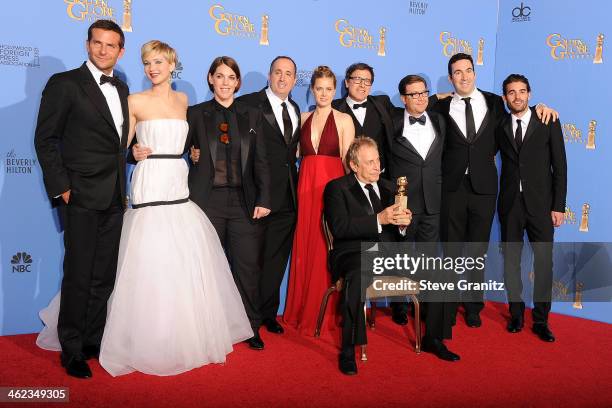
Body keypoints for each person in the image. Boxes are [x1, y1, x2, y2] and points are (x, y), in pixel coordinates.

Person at [428, 53, 558, 327]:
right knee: (451, 251)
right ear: (451, 78)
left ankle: (474, 305)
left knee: (477, 251)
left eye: (468, 70)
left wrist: (543, 106)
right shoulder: (438, 108)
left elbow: (522, 109)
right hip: (451, 189)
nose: (464, 76)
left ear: (475, 73)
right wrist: (439, 96)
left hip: (485, 190)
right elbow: (409, 106)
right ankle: (449, 307)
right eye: (457, 72)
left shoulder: (495, 103)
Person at [34, 20, 129, 379]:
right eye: (97, 43)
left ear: (121, 51)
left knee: (103, 275)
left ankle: (92, 340)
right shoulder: (65, 84)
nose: (103, 50)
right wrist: (62, 187)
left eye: (111, 45)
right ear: (88, 44)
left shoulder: (121, 88)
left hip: (115, 195)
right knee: (78, 274)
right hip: (81, 195)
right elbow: (45, 139)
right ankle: (71, 348)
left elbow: (114, 145)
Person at [185, 56, 272, 350]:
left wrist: (264, 198)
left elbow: (261, 160)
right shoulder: (195, 114)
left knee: (247, 268)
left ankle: (250, 326)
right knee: (205, 269)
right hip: (206, 201)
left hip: (244, 203)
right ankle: (204, 328)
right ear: (210, 79)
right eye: (219, 76)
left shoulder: (252, 115)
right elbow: (176, 150)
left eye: (230, 77)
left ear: (238, 83)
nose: (225, 82)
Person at [323, 137, 412, 375]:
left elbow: (400, 231)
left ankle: (435, 339)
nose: (377, 167)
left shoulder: (389, 187)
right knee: (357, 275)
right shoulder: (336, 188)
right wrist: (378, 220)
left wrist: (403, 224)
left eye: (378, 160)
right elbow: (340, 228)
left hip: (387, 253)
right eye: (370, 162)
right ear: (354, 165)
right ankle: (348, 350)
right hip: (352, 251)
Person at [387, 74, 458, 361]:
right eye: (413, 94)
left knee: (429, 264)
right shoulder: (391, 123)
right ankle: (400, 306)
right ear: (402, 98)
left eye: (423, 93)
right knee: (401, 259)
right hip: (403, 207)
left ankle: (431, 328)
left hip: (433, 205)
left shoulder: (440, 121)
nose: (419, 98)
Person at [283, 66, 355, 336]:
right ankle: (301, 310)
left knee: (326, 248)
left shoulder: (344, 119)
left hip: (332, 189)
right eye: (318, 88)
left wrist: (351, 198)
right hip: (305, 189)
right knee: (306, 246)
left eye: (328, 89)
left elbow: (349, 162)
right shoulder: (302, 117)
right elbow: (294, 154)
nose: (323, 93)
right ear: (311, 89)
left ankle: (325, 313)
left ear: (335, 90)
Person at [497, 74, 567, 341]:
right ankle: (516, 315)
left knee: (544, 264)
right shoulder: (500, 123)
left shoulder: (547, 120)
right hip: (510, 205)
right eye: (512, 92)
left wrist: (558, 206)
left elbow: (560, 167)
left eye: (522, 91)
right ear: (505, 98)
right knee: (511, 263)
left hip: (541, 206)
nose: (518, 96)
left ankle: (541, 320)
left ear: (529, 93)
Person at [237, 56, 300, 335]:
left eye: (288, 74)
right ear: (269, 74)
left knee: (276, 261)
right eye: (278, 72)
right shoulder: (249, 103)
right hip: (257, 196)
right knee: (251, 261)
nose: (283, 78)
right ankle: (246, 317)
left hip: (288, 196)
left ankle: (268, 313)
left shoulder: (296, 108)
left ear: (295, 80)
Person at [332, 62, 394, 171]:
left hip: (380, 175)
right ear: (347, 82)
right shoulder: (334, 107)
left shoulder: (382, 103)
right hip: (347, 175)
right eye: (357, 79)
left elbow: (408, 112)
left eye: (367, 81)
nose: (362, 85)